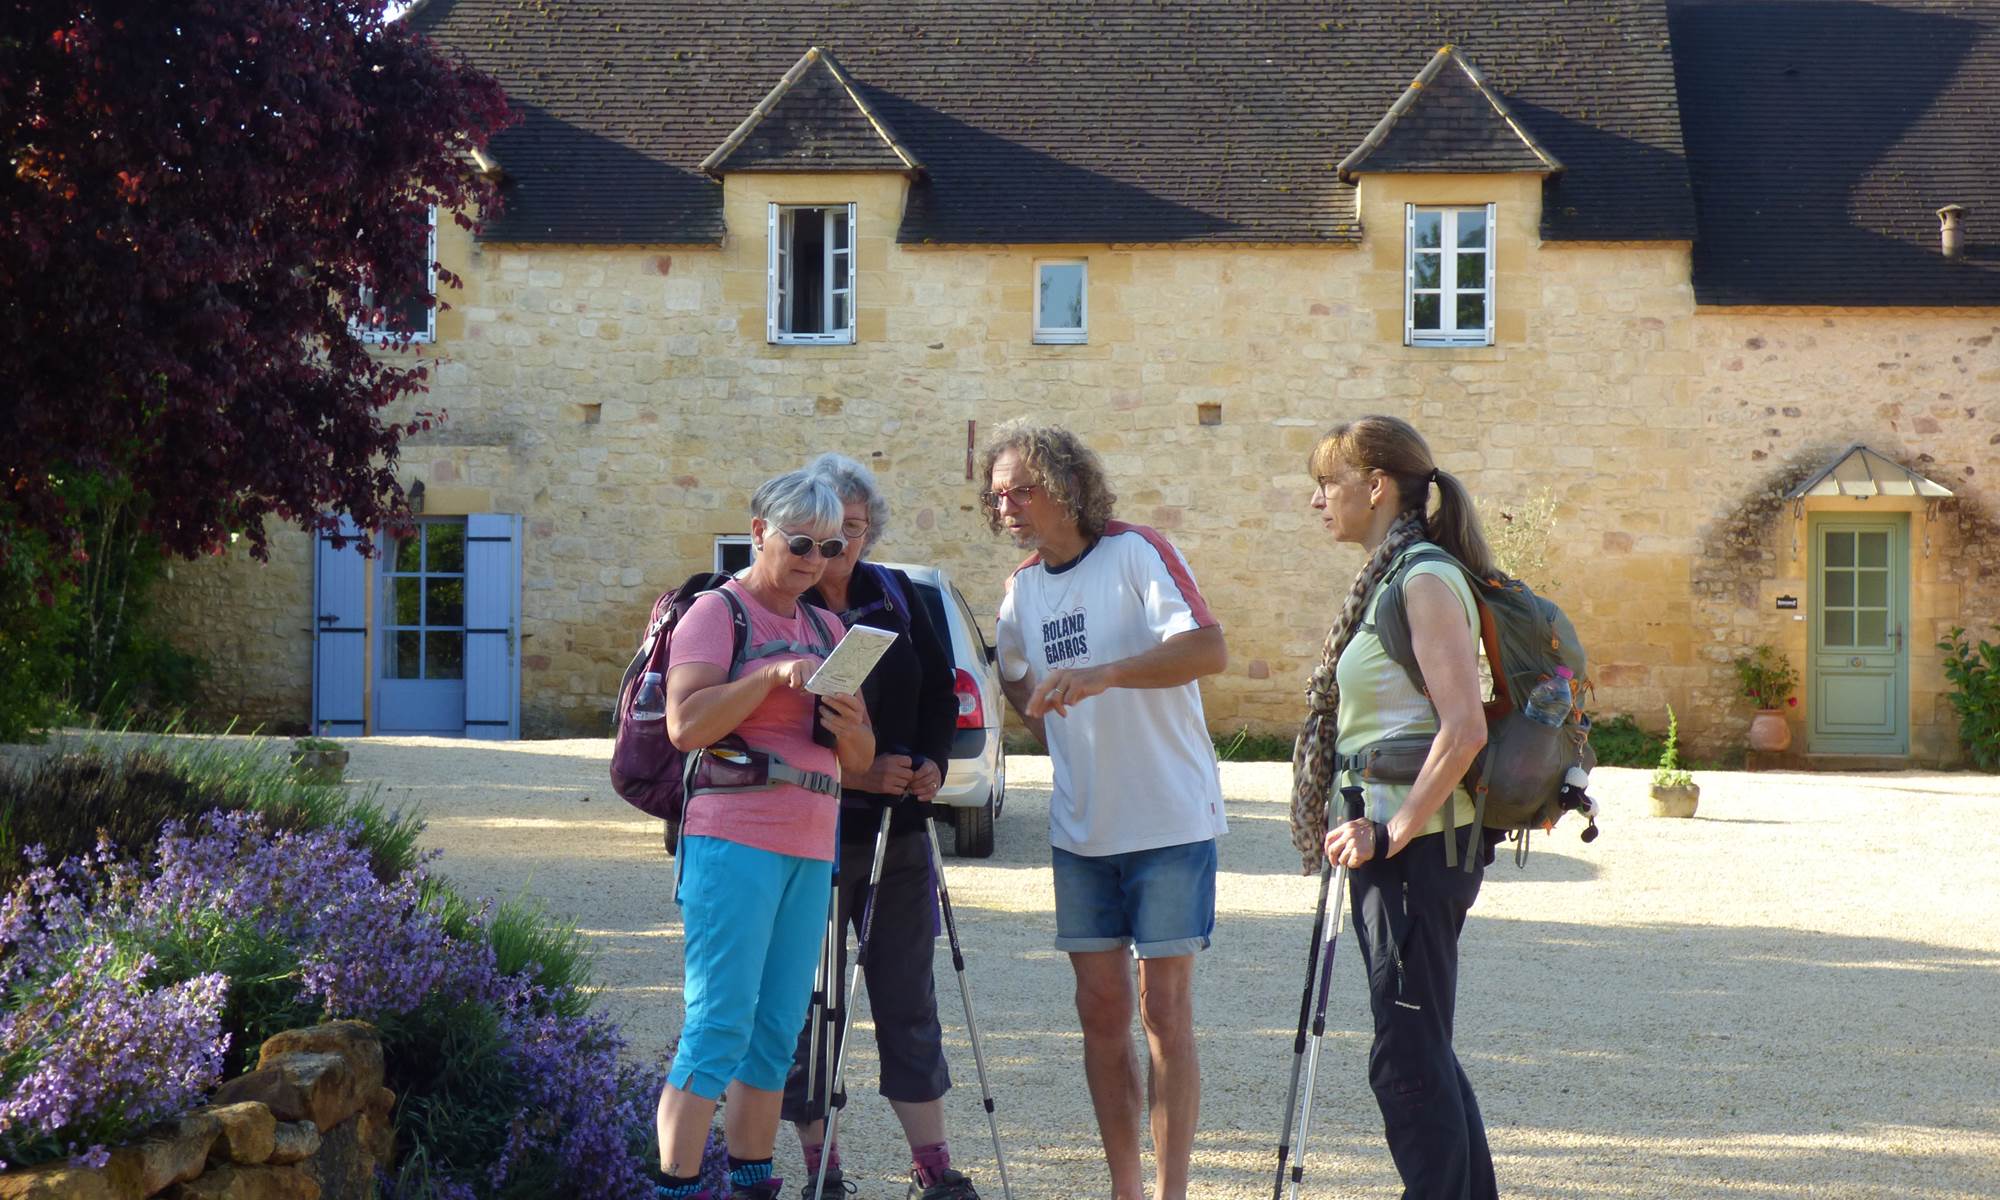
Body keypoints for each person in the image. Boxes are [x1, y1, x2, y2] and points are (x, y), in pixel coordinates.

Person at [982, 422, 1228, 1200]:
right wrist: (1042, 710)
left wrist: (1104, 675)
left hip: (1169, 821)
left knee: (1165, 1014)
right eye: (997, 495)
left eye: (1023, 489)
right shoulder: (1023, 587)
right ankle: (1125, 1190)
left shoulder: (1137, 551)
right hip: (1080, 829)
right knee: (1098, 1012)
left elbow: (1209, 649)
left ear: (1066, 487)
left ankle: (1172, 1192)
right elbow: (1014, 674)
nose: (1009, 506)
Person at [1290, 414, 1500, 1199]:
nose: (1318, 502)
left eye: (1326, 484)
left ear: (1375, 487)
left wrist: (1391, 830)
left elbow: (1465, 727)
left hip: (1417, 853)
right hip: (1401, 850)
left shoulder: (1421, 578)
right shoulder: (1394, 574)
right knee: (1422, 1049)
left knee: (1406, 1057)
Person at [655, 470, 877, 1200]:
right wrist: (770, 678)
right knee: (718, 1024)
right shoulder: (718, 613)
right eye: (801, 542)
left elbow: (861, 760)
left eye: (832, 546)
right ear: (758, 532)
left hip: (810, 844)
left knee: (776, 1035)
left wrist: (852, 730)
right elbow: (686, 726)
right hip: (734, 837)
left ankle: (752, 1186)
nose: (815, 559)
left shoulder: (830, 629)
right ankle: (678, 1187)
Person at [782, 453, 982, 1200]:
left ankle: (933, 1165)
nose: (838, 549)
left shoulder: (898, 596)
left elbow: (939, 691)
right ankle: (819, 1164)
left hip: (899, 830)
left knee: (908, 994)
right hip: (812, 828)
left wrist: (930, 763)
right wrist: (858, 772)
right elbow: (777, 729)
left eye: (854, 531)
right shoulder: (783, 609)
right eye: (825, 534)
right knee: (808, 999)